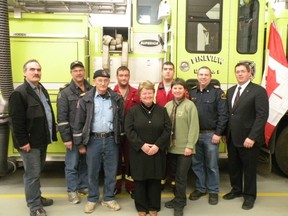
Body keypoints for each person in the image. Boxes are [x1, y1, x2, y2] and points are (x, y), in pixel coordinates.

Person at [8, 59, 57, 216]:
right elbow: (15, 121)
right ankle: (35, 206)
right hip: (29, 143)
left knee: (37, 172)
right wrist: (23, 142)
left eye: (38, 69)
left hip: (41, 140)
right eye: (32, 69)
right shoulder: (19, 93)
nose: (36, 72)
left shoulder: (41, 89)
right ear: (24, 72)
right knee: (32, 174)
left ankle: (36, 197)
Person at [72, 69, 124, 214]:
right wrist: (80, 144)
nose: (103, 83)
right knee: (92, 171)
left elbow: (121, 120)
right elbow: (78, 123)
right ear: (94, 81)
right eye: (99, 80)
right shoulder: (85, 99)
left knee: (111, 171)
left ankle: (108, 198)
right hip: (93, 141)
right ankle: (92, 199)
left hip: (111, 140)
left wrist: (120, 139)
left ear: (109, 82)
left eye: (106, 80)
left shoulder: (116, 99)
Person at [222, 62, 269, 210]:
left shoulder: (258, 91)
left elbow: (262, 116)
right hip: (232, 137)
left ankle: (249, 196)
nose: (240, 74)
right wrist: (225, 133)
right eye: (237, 71)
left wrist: (252, 137)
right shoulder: (230, 91)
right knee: (233, 167)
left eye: (243, 71)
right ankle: (236, 190)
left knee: (249, 169)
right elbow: (229, 114)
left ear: (250, 73)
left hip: (249, 139)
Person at [125, 80, 172, 216]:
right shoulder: (133, 111)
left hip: (157, 152)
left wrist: (158, 145)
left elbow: (167, 129)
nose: (147, 96)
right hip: (139, 152)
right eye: (144, 93)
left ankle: (153, 206)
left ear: (154, 93)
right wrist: (142, 145)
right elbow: (129, 130)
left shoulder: (162, 111)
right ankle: (141, 207)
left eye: (149, 93)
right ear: (140, 95)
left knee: (154, 180)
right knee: (139, 180)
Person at [189, 66, 228, 205]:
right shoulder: (192, 92)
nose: (203, 77)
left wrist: (218, 133)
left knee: (212, 165)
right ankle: (200, 188)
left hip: (211, 135)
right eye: (201, 74)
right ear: (197, 76)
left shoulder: (218, 93)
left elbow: (223, 115)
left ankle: (213, 191)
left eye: (206, 74)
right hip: (194, 135)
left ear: (210, 77)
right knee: (197, 164)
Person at [57, 60, 93, 204]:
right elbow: (62, 118)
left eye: (80, 70)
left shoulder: (91, 89)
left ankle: (83, 186)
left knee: (86, 163)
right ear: (71, 73)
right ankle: (72, 191)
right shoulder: (65, 92)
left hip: (88, 135)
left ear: (84, 72)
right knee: (72, 164)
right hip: (72, 135)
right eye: (75, 70)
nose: (78, 73)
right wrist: (66, 138)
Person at [164, 78, 199, 216]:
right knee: (173, 176)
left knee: (181, 177)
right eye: (175, 88)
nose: (177, 91)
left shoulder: (190, 106)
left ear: (185, 90)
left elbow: (194, 127)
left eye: (180, 88)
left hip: (185, 149)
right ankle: (178, 198)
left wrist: (190, 146)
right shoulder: (167, 106)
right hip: (171, 148)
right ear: (171, 90)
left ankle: (180, 204)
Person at [113, 66, 140, 197]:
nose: (123, 78)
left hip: (131, 134)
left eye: (126, 75)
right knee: (115, 161)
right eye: (121, 75)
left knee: (131, 161)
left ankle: (131, 187)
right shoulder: (111, 92)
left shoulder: (136, 93)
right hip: (115, 133)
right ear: (117, 76)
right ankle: (116, 187)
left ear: (129, 77)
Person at [154, 61, 175, 189]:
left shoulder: (178, 87)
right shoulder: (155, 88)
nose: (168, 71)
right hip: (160, 129)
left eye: (170, 69)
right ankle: (160, 180)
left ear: (174, 72)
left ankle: (173, 181)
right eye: (165, 69)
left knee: (173, 156)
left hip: (175, 127)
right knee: (160, 156)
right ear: (161, 72)